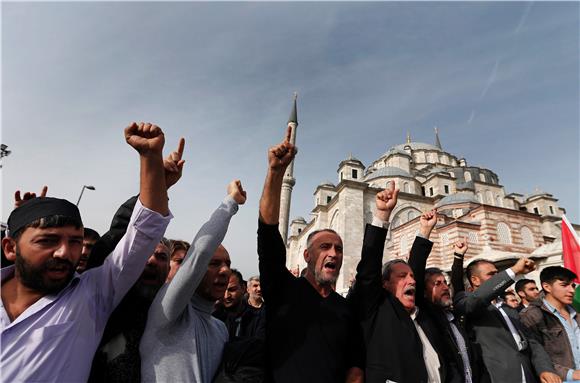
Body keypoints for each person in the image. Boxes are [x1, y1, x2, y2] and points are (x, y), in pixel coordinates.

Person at [0, 122, 172, 382]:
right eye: (47, 241)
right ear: (11, 248)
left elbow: (145, 228)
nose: (64, 253)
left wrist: (150, 159)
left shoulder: (92, 295)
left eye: (75, 241)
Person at [257, 127, 364, 383]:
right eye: (325, 247)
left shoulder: (345, 309)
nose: (334, 253)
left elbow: (355, 364)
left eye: (338, 248)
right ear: (306, 255)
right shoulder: (283, 291)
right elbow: (269, 236)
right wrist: (275, 172)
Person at [140, 179, 246, 383]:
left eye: (228, 263)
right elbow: (201, 251)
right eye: (213, 263)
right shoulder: (167, 311)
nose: (225, 271)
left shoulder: (221, 329)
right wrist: (231, 202)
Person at [454, 258, 561, 383]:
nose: (497, 277)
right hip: (497, 377)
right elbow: (476, 300)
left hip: (527, 374)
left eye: (497, 273)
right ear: (474, 280)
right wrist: (514, 270)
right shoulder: (465, 301)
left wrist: (545, 368)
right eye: (491, 274)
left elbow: (531, 342)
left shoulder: (508, 308)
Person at [88, 238, 172, 382]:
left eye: (161, 257)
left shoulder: (173, 318)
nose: (151, 261)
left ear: (169, 270)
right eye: (145, 254)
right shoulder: (107, 305)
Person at [521, 266, 580, 381]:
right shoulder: (532, 315)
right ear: (547, 287)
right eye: (564, 285)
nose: (572, 290)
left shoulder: (575, 313)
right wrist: (570, 374)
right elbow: (534, 354)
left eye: (573, 285)